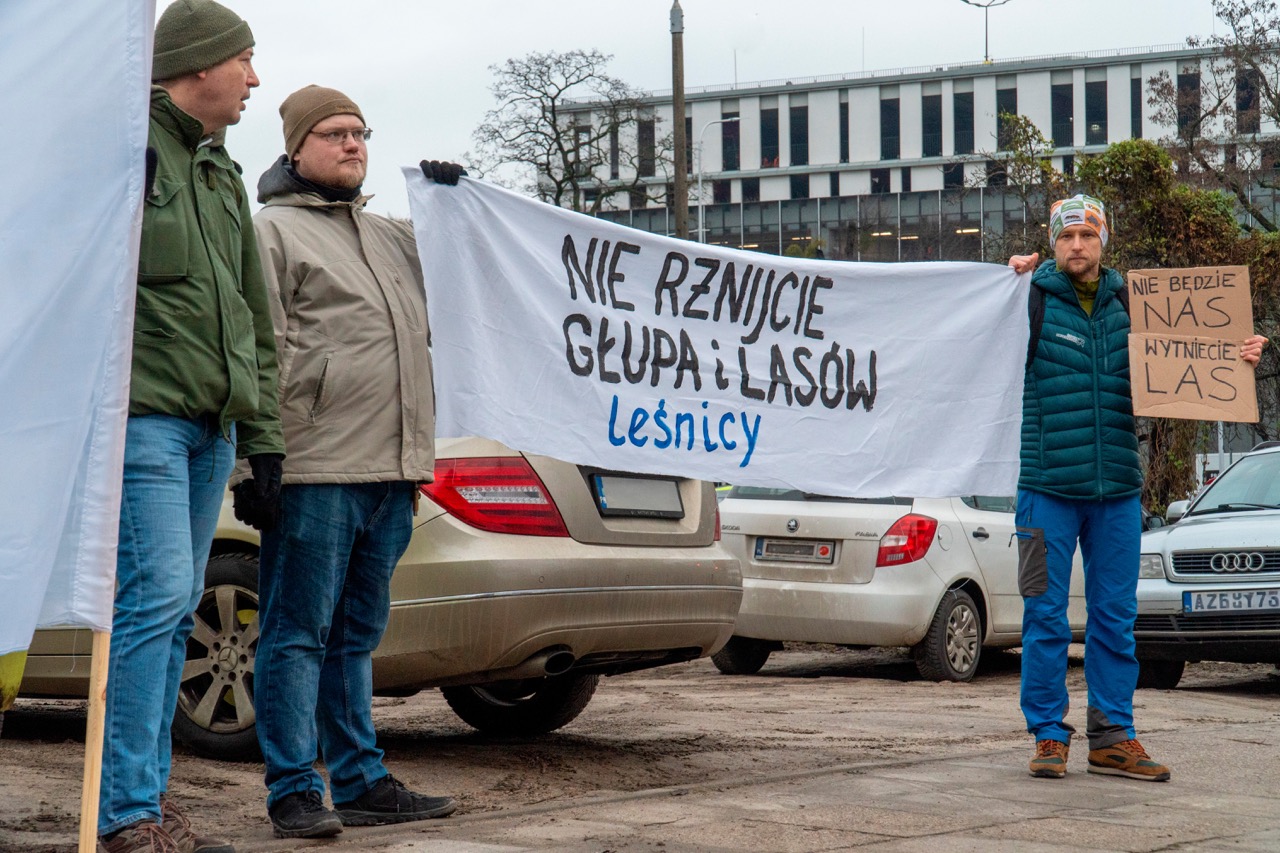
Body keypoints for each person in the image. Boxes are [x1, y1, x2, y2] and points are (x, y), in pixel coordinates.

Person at [234, 84, 466, 839]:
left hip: (392, 471)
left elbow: (474, 277)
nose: (352, 145)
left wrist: (452, 204)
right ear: (296, 148)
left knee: (357, 633)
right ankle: (294, 787)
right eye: (333, 134)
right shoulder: (271, 231)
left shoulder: (393, 236)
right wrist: (255, 461)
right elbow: (254, 348)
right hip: (315, 468)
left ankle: (361, 777)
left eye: (359, 132)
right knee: (296, 632)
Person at [98, 3, 284, 853]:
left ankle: (149, 801)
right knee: (160, 600)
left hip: (211, 429)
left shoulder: (220, 174)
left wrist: (264, 443)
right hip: (143, 421)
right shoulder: (123, 151)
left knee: (172, 615)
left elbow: (252, 317)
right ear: (197, 65)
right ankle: (127, 814)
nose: (255, 78)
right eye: (244, 60)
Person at [1008, 194, 1267, 783]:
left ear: (1105, 241)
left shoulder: (1138, 304)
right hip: (1042, 491)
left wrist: (1241, 354)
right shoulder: (1025, 302)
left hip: (1119, 490)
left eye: (1088, 235)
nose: (1078, 245)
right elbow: (971, 329)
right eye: (1067, 235)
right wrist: (1002, 281)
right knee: (1042, 615)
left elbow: (1198, 356)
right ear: (1053, 242)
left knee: (1116, 616)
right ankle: (1048, 736)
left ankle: (1113, 737)